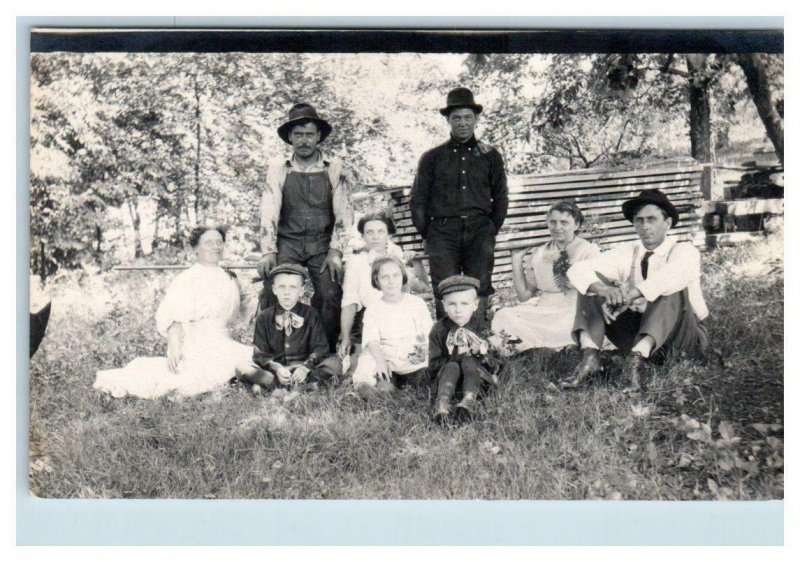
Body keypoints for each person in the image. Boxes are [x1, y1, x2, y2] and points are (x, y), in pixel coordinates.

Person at [563, 189, 710, 393]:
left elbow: (673, 275)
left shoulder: (684, 251)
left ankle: (635, 363)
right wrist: (604, 289)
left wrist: (630, 295)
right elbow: (578, 269)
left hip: (683, 337)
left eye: (652, 219)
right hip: (636, 333)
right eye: (639, 220)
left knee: (671, 287)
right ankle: (591, 358)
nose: (645, 227)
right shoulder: (628, 252)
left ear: (667, 223)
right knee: (589, 284)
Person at [94, 226, 256, 399]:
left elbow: (253, 306)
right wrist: (175, 346)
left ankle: (240, 383)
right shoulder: (187, 279)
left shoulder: (231, 276)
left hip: (223, 339)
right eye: (208, 243)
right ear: (195, 248)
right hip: (197, 343)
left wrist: (272, 280)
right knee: (215, 370)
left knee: (251, 359)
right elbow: (174, 314)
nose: (215, 246)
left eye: (219, 242)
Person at [256, 103, 354, 350]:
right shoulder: (278, 168)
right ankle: (271, 352)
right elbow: (268, 209)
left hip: (322, 244)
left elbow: (345, 212)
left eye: (309, 134)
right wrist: (268, 250)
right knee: (271, 290)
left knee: (331, 294)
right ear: (290, 137)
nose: (304, 141)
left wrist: (336, 251)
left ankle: (324, 351)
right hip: (287, 243)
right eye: (298, 135)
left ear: (318, 136)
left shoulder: (335, 167)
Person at [409, 87, 508, 327]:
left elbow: (501, 196)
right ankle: (446, 342)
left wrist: (489, 228)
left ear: (475, 119)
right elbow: (418, 198)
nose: (462, 123)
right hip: (442, 232)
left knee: (480, 282)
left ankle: (478, 337)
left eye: (467, 118)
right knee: (444, 284)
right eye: (456, 118)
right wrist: (429, 233)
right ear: (448, 120)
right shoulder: (432, 157)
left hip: (479, 230)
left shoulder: (490, 155)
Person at [491, 201, 601, 351]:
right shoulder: (539, 253)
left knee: (572, 324)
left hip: (574, 309)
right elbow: (525, 296)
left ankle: (538, 345)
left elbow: (594, 290)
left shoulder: (588, 250)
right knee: (503, 315)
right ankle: (544, 346)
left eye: (564, 222)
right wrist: (516, 260)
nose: (558, 228)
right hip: (545, 309)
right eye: (553, 222)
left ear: (577, 225)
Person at [337, 209, 426, 368]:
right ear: (363, 236)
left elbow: (422, 288)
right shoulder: (356, 262)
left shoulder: (396, 254)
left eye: (380, 231)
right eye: (369, 232)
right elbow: (349, 302)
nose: (375, 236)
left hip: (401, 314)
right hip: (372, 318)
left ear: (389, 235)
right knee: (362, 363)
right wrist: (345, 337)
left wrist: (416, 261)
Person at [238, 263, 341, 395]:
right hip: (275, 371)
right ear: (274, 289)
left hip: (302, 369)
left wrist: (305, 367)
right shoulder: (264, 317)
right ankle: (292, 387)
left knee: (335, 363)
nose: (287, 293)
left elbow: (320, 348)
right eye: (282, 287)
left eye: (293, 287)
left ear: (301, 291)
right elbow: (260, 354)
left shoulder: (311, 314)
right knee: (242, 366)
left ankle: (273, 388)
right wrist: (276, 368)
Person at [351, 256, 433, 392]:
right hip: (385, 356)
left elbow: (428, 333)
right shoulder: (373, 308)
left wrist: (423, 350)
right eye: (384, 277)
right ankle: (368, 386)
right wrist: (381, 361)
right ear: (377, 280)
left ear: (403, 276)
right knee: (374, 374)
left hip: (411, 354)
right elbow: (372, 340)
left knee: (425, 379)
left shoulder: (416, 303)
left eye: (395, 275)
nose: (391, 282)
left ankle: (406, 383)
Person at [429, 275, 503, 423]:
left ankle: (468, 401)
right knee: (452, 365)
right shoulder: (439, 329)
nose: (458, 310)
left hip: (477, 380)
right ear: (444, 305)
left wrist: (484, 353)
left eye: (464, 304)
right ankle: (442, 404)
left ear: (475, 305)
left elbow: (497, 364)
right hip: (448, 380)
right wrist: (457, 358)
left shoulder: (482, 328)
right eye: (452, 304)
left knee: (470, 361)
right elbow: (433, 364)